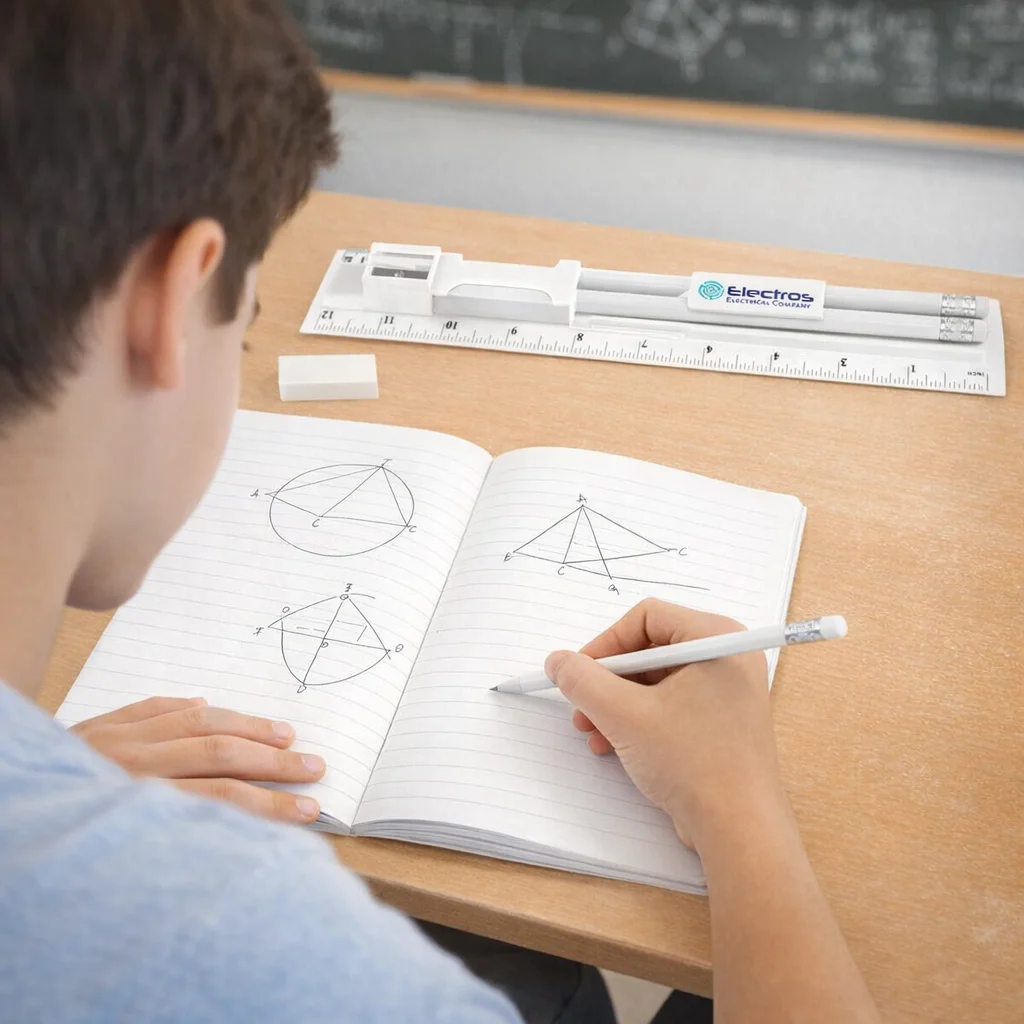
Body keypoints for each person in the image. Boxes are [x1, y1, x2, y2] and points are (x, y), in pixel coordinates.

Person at [0, 2, 881, 1022]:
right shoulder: (290, 962)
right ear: (170, 301)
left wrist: (52, 776)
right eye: (239, 337)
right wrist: (742, 809)